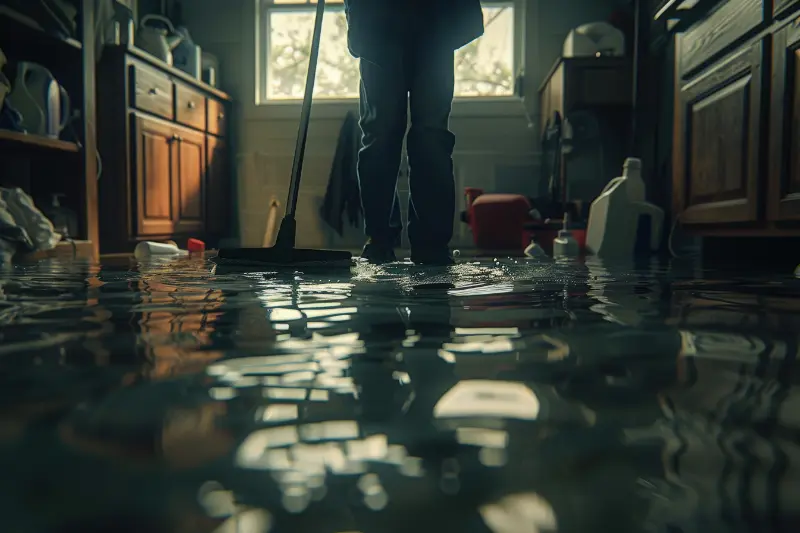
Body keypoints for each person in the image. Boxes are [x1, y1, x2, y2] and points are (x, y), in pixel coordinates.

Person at [344, 0, 484, 265]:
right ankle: (382, 239)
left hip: (432, 20)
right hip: (383, 20)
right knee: (383, 135)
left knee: (423, 137)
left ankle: (425, 243)